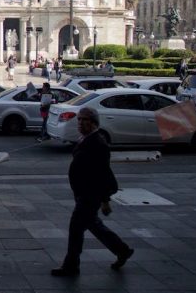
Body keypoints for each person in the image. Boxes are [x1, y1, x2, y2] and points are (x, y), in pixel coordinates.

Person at [51, 107, 134, 277]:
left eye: (85, 120)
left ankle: (71, 266)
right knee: (93, 225)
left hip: (90, 195)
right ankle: (122, 250)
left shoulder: (98, 144)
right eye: (79, 119)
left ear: (94, 123)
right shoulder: (86, 139)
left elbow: (102, 173)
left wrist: (105, 201)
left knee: (76, 229)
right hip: (83, 193)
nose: (81, 123)